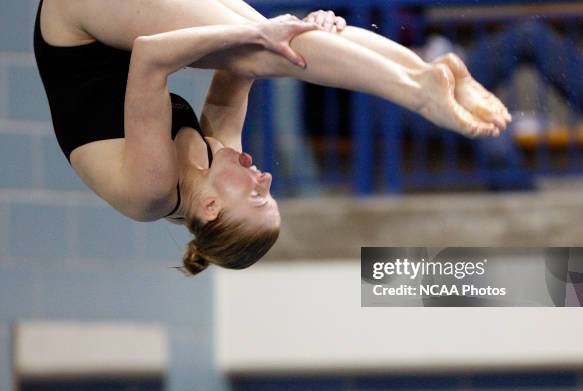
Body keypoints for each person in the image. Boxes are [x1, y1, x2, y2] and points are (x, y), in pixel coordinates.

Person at [34, 0, 510, 275]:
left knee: (255, 45)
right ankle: (426, 70)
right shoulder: (221, 159)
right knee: (265, 47)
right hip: (110, 36)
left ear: (211, 209)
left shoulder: (152, 191)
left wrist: (262, 35)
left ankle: (419, 95)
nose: (264, 179)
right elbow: (251, 62)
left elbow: (150, 57)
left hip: (75, 24)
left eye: (258, 197)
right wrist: (311, 29)